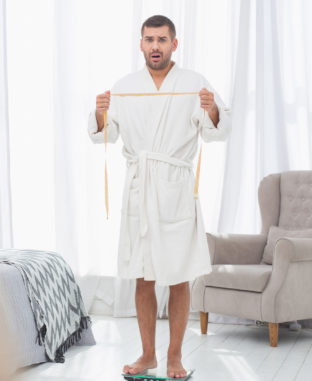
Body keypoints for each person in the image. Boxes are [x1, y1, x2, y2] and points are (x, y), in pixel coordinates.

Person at [87, 15, 231, 378]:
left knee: (179, 276)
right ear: (140, 44)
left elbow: (217, 130)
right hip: (140, 188)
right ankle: (148, 354)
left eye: (162, 40)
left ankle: (175, 357)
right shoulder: (124, 86)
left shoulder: (194, 83)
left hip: (176, 189)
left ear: (174, 44)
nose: (155, 46)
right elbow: (104, 134)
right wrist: (101, 115)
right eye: (149, 39)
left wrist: (211, 107)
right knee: (143, 275)